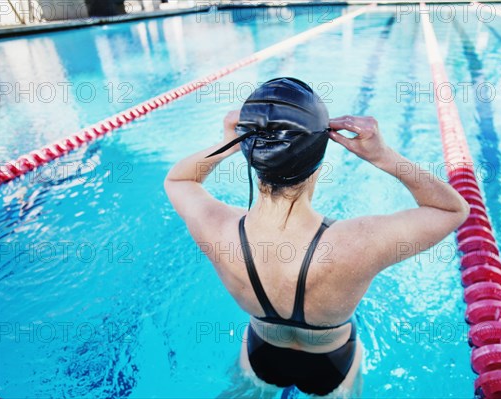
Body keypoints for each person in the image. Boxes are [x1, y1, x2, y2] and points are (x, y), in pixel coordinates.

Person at [164, 77, 469, 396]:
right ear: (319, 163)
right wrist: (383, 156)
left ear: (249, 152)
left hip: (260, 354)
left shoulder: (219, 229)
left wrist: (227, 142)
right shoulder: (359, 241)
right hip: (332, 363)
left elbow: (179, 180)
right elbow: (452, 210)